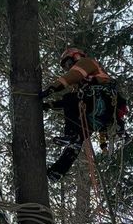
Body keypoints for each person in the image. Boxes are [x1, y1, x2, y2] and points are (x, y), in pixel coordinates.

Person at [41, 46, 127, 180]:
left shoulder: (87, 63)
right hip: (101, 113)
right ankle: (57, 171)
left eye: (69, 64)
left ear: (76, 56)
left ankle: (71, 134)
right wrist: (49, 105)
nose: (69, 68)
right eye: (66, 67)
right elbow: (72, 103)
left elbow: (72, 76)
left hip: (102, 99)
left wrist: (52, 88)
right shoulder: (83, 85)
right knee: (77, 139)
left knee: (70, 99)